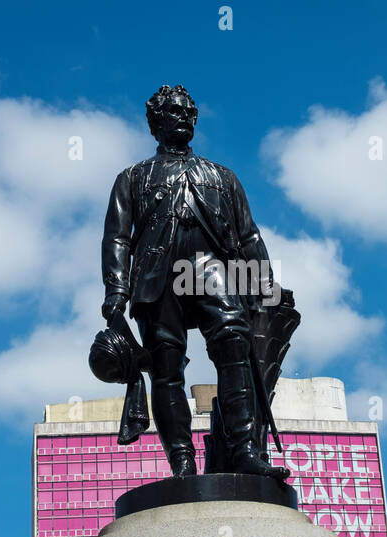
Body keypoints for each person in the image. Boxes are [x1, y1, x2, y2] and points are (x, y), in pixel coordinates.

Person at [101, 85, 286, 479]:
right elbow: (116, 237)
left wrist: (263, 283)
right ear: (156, 123)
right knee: (166, 367)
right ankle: (182, 461)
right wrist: (116, 291)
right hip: (155, 276)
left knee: (234, 338)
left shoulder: (222, 177)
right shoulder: (132, 178)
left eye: (188, 111)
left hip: (209, 268)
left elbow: (249, 234)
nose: (182, 116)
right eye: (172, 111)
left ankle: (243, 450)